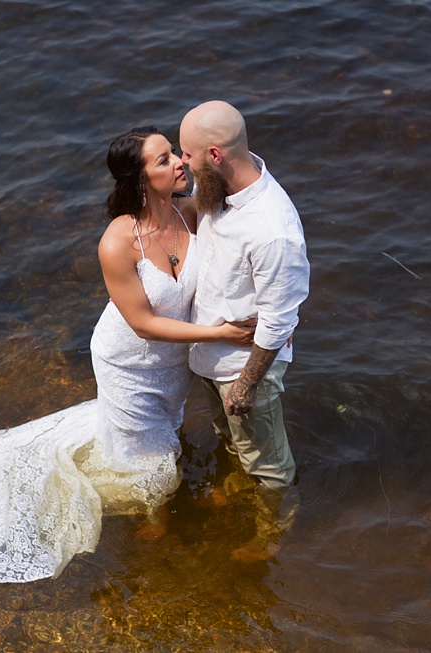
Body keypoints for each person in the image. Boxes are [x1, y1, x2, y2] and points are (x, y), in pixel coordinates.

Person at [0, 126, 254, 583]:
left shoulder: (190, 213)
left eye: (176, 154)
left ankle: (167, 493)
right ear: (140, 180)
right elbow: (142, 323)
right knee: (144, 450)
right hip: (126, 359)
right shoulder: (117, 243)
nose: (180, 163)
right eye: (165, 159)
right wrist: (220, 334)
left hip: (173, 358)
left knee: (165, 426)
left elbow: (242, 205)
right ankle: (157, 517)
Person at [178, 100, 310, 561]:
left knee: (271, 466)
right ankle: (237, 478)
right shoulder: (218, 188)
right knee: (234, 439)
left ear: (214, 155)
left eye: (187, 155)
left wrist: (247, 385)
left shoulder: (273, 230)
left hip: (243, 366)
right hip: (212, 354)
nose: (182, 163)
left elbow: (280, 319)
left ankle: (272, 535)